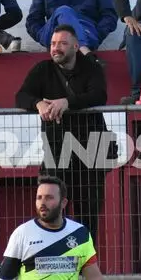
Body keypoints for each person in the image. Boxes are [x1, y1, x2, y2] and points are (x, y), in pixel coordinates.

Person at [15, 24, 113, 244]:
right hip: (57, 150)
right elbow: (21, 96)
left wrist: (67, 102)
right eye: (53, 43)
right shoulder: (43, 69)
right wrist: (38, 103)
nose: (56, 48)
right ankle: (56, 259)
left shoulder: (91, 67)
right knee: (53, 212)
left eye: (62, 43)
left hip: (90, 150)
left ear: (76, 46)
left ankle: (85, 261)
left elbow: (99, 95)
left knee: (88, 216)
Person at [0, 175, 103, 280]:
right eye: (39, 198)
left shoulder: (80, 234)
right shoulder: (22, 233)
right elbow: (2, 277)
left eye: (49, 198)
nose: (42, 203)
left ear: (63, 203)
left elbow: (94, 276)